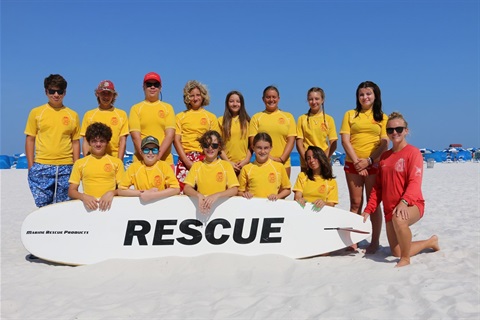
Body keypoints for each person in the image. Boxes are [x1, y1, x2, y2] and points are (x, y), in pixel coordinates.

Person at [361, 112, 439, 267]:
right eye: (390, 130)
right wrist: (368, 209)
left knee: (399, 220)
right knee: (396, 251)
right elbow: (378, 187)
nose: (394, 133)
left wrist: (403, 202)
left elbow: (414, 182)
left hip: (412, 205)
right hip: (390, 209)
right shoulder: (384, 157)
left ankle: (406, 259)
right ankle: (431, 242)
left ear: (406, 131)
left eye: (399, 129)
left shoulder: (413, 152)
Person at [340, 81, 388, 253]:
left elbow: (384, 143)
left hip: (373, 164)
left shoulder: (383, 117)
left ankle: (374, 241)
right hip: (353, 164)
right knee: (355, 203)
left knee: (373, 204)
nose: (365, 97)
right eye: (361, 94)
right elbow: (345, 140)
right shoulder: (350, 114)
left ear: (375, 95)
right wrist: (358, 163)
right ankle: (352, 241)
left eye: (368, 94)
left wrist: (368, 160)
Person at [24, 74, 81, 208]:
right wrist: (31, 166)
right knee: (43, 206)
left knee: (64, 206)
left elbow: (75, 142)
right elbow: (30, 139)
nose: (56, 95)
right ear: (46, 91)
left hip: (66, 166)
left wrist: (76, 166)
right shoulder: (36, 112)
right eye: (52, 91)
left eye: (60, 91)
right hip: (42, 165)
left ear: (64, 93)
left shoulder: (72, 115)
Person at [174, 80, 220, 191]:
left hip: (205, 157)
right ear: (187, 98)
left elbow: (215, 142)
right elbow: (176, 140)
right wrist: (186, 161)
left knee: (207, 190)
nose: (195, 98)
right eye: (192, 96)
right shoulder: (180, 116)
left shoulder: (211, 117)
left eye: (198, 95)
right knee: (184, 192)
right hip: (186, 158)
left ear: (203, 96)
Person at [68, 122, 125, 211]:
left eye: (102, 141)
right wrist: (83, 197)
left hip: (110, 207)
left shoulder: (117, 162)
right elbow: (71, 191)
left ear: (107, 142)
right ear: (89, 142)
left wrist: (112, 193)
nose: (98, 144)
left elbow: (123, 189)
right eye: (94, 141)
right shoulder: (80, 163)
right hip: (89, 207)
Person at [183, 130, 239, 214]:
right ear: (202, 146)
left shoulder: (226, 166)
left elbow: (234, 189)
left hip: (222, 209)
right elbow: (186, 188)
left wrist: (217, 195)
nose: (210, 148)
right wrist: (198, 195)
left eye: (214, 145)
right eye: (206, 145)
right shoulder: (197, 166)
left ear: (219, 147)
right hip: (202, 209)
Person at [129, 72, 176, 166]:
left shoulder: (168, 108)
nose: (152, 87)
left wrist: (157, 156)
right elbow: (135, 137)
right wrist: (146, 157)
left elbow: (170, 135)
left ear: (160, 88)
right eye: (149, 84)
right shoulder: (136, 108)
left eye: (156, 84)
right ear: (143, 87)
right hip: (141, 161)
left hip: (164, 161)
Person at [249, 86, 296, 178]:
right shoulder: (256, 117)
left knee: (282, 191)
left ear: (278, 98)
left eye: (274, 97)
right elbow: (253, 142)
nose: (271, 100)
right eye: (268, 97)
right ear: (263, 99)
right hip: (261, 163)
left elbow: (291, 140)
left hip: (283, 163)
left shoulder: (288, 116)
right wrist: (268, 158)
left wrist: (281, 159)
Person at [118, 136, 180, 202]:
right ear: (141, 152)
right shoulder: (134, 167)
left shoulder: (164, 166)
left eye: (154, 150)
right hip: (141, 205)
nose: (150, 153)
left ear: (158, 152)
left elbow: (176, 189)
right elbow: (121, 190)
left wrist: (153, 195)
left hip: (161, 203)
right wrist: (143, 193)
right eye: (146, 150)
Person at [80, 80, 129, 160]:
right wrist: (87, 160)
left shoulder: (121, 115)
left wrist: (119, 161)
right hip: (94, 158)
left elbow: (122, 141)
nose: (106, 97)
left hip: (114, 159)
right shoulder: (89, 115)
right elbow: (85, 141)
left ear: (113, 96)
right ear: (97, 94)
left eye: (109, 93)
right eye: (103, 93)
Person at [238, 132, 291, 200]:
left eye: (266, 148)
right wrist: (244, 194)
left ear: (270, 148)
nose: (262, 151)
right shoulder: (246, 168)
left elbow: (287, 189)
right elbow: (239, 191)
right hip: (253, 207)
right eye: (259, 148)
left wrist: (277, 196)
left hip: (271, 206)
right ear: (253, 148)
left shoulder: (279, 167)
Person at [296, 87, 338, 172]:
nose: (314, 102)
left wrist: (324, 159)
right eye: (311, 99)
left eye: (317, 99)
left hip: (324, 160)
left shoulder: (329, 119)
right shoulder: (302, 119)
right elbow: (299, 142)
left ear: (322, 100)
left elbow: (333, 143)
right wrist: (307, 159)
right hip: (307, 163)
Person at [218, 90, 252, 175]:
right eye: (231, 101)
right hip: (226, 165)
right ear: (227, 103)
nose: (235, 104)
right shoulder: (220, 121)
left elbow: (252, 145)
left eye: (238, 101)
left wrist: (246, 160)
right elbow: (218, 146)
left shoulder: (248, 122)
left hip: (244, 165)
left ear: (242, 104)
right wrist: (228, 162)